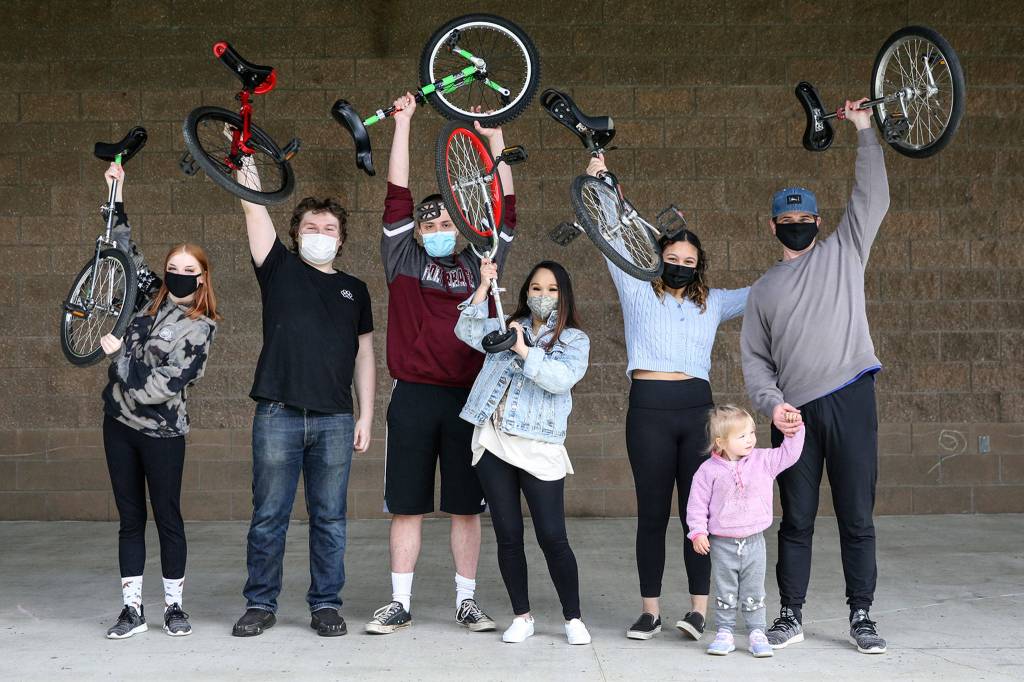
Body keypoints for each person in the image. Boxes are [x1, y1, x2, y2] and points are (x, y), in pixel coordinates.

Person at [740, 99, 890, 654]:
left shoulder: (846, 251)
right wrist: (771, 403)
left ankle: (862, 616)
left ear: (819, 223)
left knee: (856, 516)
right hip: (794, 415)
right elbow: (755, 359)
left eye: (806, 220)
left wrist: (863, 130)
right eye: (788, 220)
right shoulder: (763, 290)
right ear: (773, 224)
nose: (797, 227)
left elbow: (872, 197)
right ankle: (790, 615)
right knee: (796, 520)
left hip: (852, 396)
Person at [365, 93, 517, 635]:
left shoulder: (481, 262)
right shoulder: (402, 258)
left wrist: (496, 143)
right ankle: (399, 602)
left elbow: (505, 211)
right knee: (406, 506)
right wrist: (402, 124)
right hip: (412, 395)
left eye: (444, 222)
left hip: (468, 398)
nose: (434, 229)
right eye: (427, 224)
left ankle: (466, 602)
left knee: (465, 508)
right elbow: (397, 194)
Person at [585, 155, 749, 642]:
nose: (679, 267)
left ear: (699, 268)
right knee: (652, 513)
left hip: (698, 413)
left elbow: (770, 293)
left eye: (688, 262)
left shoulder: (714, 301)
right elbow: (609, 234)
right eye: (672, 259)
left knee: (698, 514)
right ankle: (650, 610)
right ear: (658, 258)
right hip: (648, 412)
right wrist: (599, 180)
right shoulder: (637, 287)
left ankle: (698, 611)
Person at [229, 152, 375, 638]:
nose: (320, 234)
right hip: (278, 414)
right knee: (269, 516)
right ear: (295, 234)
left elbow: (365, 356)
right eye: (311, 226)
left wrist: (367, 414)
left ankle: (326, 605)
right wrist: (244, 155)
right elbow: (254, 207)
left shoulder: (357, 289)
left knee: (330, 519)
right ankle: (260, 604)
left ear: (342, 238)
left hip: (335, 419)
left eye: (329, 228)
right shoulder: (279, 270)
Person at [98, 162, 219, 639]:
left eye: (190, 271)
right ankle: (132, 610)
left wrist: (120, 355)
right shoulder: (151, 298)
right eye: (174, 269)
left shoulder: (202, 328)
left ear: (203, 277)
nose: (179, 275)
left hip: (163, 433)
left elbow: (163, 386)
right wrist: (116, 194)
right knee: (130, 518)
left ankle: (174, 607)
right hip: (118, 426)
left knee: (167, 516)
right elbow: (124, 253)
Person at [455, 260, 591, 645]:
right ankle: (522, 616)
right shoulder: (504, 323)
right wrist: (483, 288)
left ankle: (573, 617)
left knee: (552, 536)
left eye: (551, 289)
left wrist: (522, 348)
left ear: (563, 295)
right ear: (524, 292)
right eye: (535, 288)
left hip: (539, 444)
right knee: (508, 534)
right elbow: (465, 330)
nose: (542, 296)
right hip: (494, 439)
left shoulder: (575, 340)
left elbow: (559, 379)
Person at [686, 405, 805, 657]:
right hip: (722, 544)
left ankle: (756, 632)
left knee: (754, 590)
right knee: (725, 589)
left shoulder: (763, 461)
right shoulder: (708, 471)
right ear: (721, 442)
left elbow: (789, 454)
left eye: (751, 432)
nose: (750, 439)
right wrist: (698, 532)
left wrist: (796, 429)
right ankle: (725, 632)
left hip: (754, 542)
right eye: (742, 436)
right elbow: (696, 504)